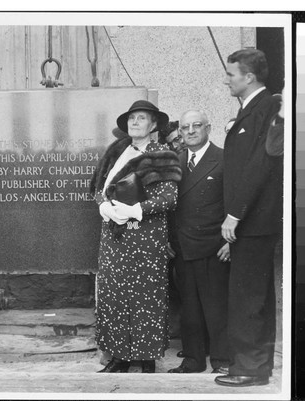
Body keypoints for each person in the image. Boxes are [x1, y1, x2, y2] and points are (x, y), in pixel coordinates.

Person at [90, 100, 181, 374]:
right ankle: (119, 358)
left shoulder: (162, 154)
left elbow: (169, 199)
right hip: (114, 237)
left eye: (141, 118)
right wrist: (102, 205)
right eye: (131, 118)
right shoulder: (116, 152)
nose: (135, 123)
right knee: (114, 296)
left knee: (145, 298)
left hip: (145, 238)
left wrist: (136, 209)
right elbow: (99, 188)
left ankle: (147, 359)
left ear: (153, 125)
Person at [215, 49, 282, 387]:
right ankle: (253, 365)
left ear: (249, 77)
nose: (226, 79)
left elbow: (258, 167)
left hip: (252, 222)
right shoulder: (251, 109)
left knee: (248, 297)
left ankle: (249, 368)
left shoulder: (268, 107)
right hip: (251, 222)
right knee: (252, 295)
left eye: (230, 74)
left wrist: (234, 215)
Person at [166, 110, 230, 375]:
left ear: (208, 128)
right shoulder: (175, 162)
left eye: (196, 126)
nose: (190, 131)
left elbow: (236, 204)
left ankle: (222, 359)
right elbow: (169, 207)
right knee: (189, 307)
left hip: (214, 247)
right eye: (185, 127)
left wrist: (232, 242)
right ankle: (193, 359)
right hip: (182, 246)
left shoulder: (224, 159)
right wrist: (168, 240)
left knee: (216, 305)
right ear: (180, 132)